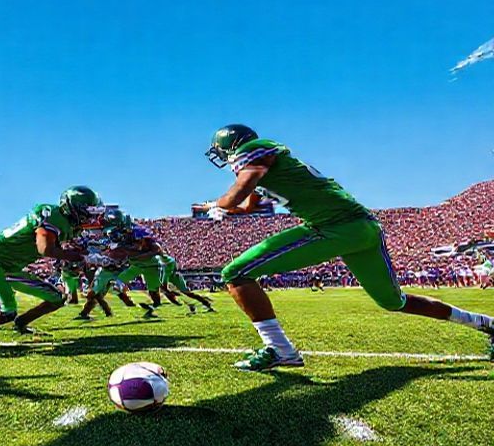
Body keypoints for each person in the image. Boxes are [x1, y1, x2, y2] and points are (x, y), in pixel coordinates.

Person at [200, 124, 494, 370]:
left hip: (332, 226)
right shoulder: (266, 167)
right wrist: (216, 206)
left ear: (231, 146)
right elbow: (248, 204)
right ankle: (486, 323)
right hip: (362, 228)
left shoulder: (255, 153)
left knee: (236, 273)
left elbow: (242, 188)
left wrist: (223, 204)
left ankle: (280, 350)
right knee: (395, 301)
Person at [0, 186, 103, 354]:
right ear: (73, 208)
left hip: (9, 267)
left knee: (57, 298)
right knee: (4, 312)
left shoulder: (67, 223)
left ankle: (21, 323)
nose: (90, 215)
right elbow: (44, 248)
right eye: (87, 211)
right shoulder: (52, 216)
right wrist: (81, 257)